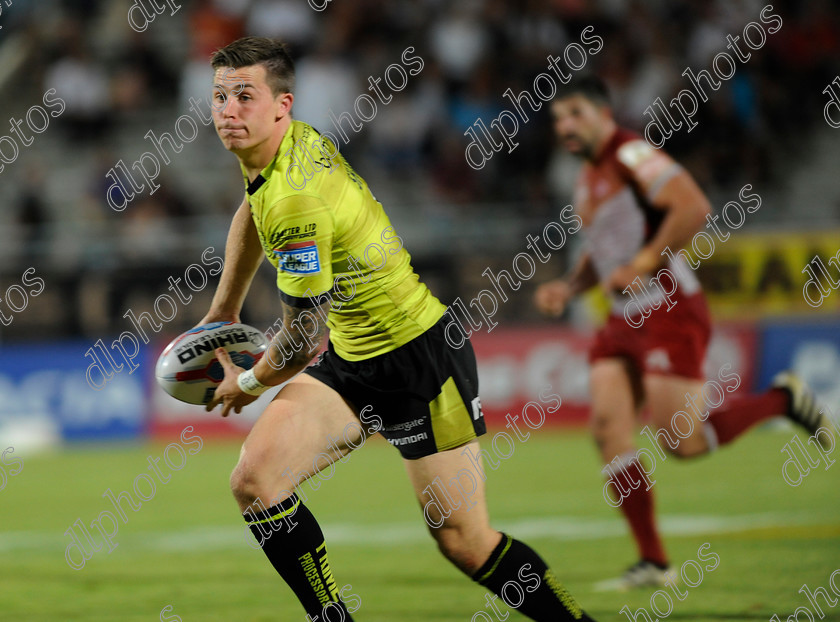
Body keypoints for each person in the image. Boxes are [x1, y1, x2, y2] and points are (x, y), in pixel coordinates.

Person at [199, 36, 596, 621]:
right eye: (219, 97)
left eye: (244, 96)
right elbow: (252, 207)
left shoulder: (296, 201)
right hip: (354, 360)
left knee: (464, 541)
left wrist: (249, 384)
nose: (228, 110)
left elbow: (304, 337)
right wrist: (224, 311)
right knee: (257, 482)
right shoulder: (286, 149)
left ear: (282, 105)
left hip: (421, 361)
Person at [534, 76, 832, 591]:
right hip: (621, 319)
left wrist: (648, 260)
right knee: (609, 430)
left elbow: (693, 206)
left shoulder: (631, 154)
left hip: (669, 310)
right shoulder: (586, 179)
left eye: (576, 113)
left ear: (604, 113)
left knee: (683, 442)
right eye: (559, 117)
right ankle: (654, 562)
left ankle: (783, 400)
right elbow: (603, 250)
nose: (566, 126)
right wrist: (570, 286)